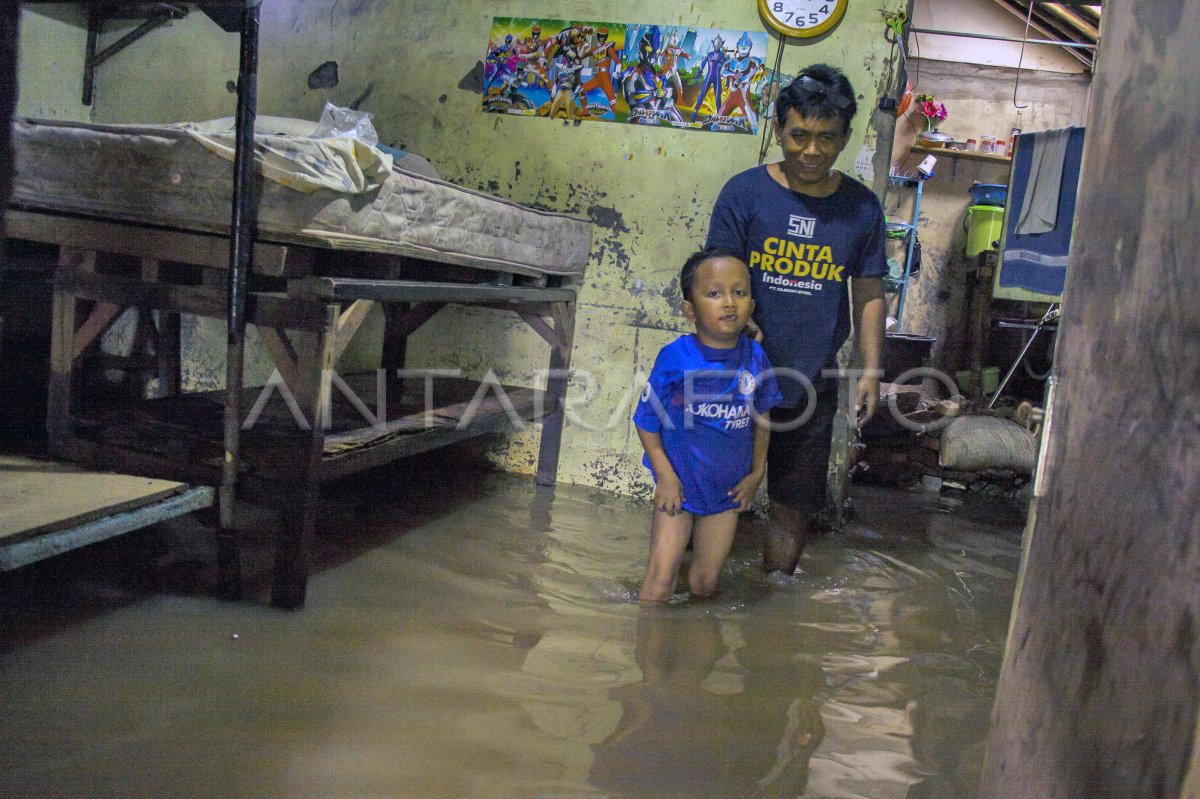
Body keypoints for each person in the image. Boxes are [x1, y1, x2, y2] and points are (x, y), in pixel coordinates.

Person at [705, 64, 887, 576]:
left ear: (845, 137)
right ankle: (697, 589)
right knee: (714, 488)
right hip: (733, 374)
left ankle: (773, 599)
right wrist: (736, 326)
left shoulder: (861, 209)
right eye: (798, 136)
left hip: (814, 377)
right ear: (779, 130)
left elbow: (869, 290)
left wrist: (871, 368)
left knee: (794, 498)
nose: (811, 151)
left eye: (826, 139)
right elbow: (715, 277)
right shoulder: (744, 194)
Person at [632, 247, 782, 601]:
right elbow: (645, 421)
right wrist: (665, 477)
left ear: (752, 305)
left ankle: (694, 647)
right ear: (689, 310)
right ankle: (647, 649)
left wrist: (756, 473)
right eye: (714, 294)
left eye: (739, 292)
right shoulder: (675, 358)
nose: (729, 303)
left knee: (705, 584)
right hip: (679, 488)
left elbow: (763, 417)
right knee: (658, 582)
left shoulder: (755, 357)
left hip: (727, 492)